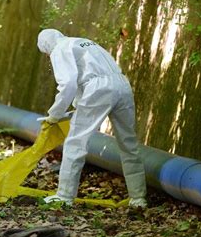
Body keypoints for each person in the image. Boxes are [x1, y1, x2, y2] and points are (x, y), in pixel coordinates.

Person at [37, 29, 147, 208]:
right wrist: (77, 107)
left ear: (46, 46)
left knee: (75, 142)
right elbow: (89, 76)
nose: (48, 57)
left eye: (46, 54)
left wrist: (54, 115)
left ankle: (64, 197)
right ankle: (138, 198)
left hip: (98, 89)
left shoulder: (59, 49)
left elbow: (68, 83)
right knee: (128, 143)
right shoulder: (82, 41)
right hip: (122, 85)